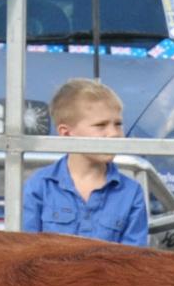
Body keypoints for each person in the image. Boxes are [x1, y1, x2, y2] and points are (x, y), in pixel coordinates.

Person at [20, 78, 148, 244]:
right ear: (66, 133)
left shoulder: (131, 192)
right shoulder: (39, 186)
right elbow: (26, 251)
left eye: (118, 124)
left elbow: (134, 260)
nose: (114, 133)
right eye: (101, 125)